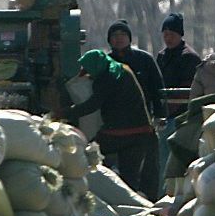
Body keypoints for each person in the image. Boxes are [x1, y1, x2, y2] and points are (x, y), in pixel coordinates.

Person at [63, 50, 160, 200]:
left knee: (86, 155)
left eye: (88, 71)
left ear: (95, 66)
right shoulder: (122, 69)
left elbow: (92, 105)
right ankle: (132, 209)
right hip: (142, 132)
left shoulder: (106, 77)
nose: (88, 75)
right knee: (130, 179)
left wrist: (65, 114)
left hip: (117, 133)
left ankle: (88, 196)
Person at [155, 13, 203, 193]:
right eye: (165, 34)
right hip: (164, 116)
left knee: (177, 160)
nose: (168, 38)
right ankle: (163, 194)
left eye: (171, 34)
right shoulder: (162, 56)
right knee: (163, 160)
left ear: (180, 35)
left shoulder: (189, 58)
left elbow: (189, 89)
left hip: (181, 117)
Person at [107, 20, 167, 122]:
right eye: (115, 35)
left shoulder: (144, 59)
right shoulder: (105, 62)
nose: (119, 38)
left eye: (123, 34)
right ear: (109, 39)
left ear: (129, 38)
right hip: (113, 118)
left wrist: (160, 115)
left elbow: (157, 89)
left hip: (142, 117)